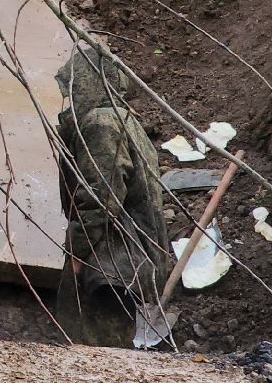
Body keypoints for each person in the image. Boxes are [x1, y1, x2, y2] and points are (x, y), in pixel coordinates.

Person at [53, 39, 172, 346]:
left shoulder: (101, 124)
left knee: (93, 349)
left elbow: (100, 198)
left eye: (73, 89)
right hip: (123, 261)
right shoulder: (121, 119)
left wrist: (77, 251)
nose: (69, 98)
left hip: (112, 261)